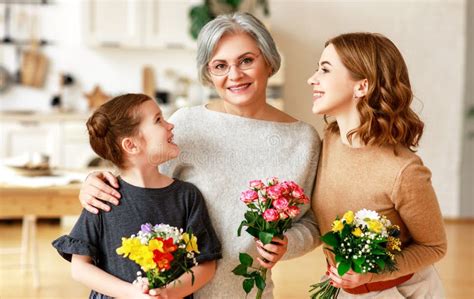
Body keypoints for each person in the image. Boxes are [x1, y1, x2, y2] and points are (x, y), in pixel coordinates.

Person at [77, 13, 321, 298]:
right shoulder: (186, 125)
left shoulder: (303, 140)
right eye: (220, 66)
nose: (235, 75)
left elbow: (313, 222)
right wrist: (96, 183)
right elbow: (143, 186)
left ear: (267, 60)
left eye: (246, 60)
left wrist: (287, 242)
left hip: (249, 292)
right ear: (208, 73)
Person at [308, 32, 447, 298]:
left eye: (325, 70)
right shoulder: (329, 141)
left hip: (399, 291)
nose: (312, 79)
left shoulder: (404, 171)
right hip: (341, 289)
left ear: (362, 86)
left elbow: (434, 247)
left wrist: (371, 274)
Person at [52, 93, 222, 299]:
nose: (170, 126)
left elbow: (206, 264)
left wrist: (168, 293)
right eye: (158, 120)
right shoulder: (104, 196)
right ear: (131, 145)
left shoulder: (187, 196)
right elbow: (80, 268)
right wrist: (133, 294)